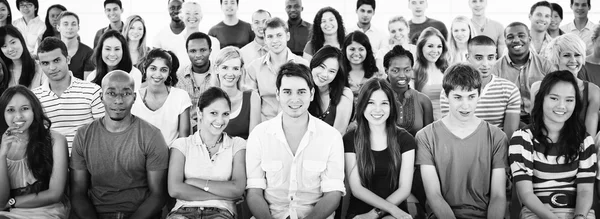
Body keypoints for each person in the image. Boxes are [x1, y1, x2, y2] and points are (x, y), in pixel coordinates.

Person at [246, 62, 345, 219]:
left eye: (301, 92)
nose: (294, 99)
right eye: (287, 92)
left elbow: (333, 193)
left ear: (311, 94)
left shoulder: (331, 136)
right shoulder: (259, 135)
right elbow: (254, 192)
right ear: (278, 94)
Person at [70, 70, 169, 219]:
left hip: (139, 214)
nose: (118, 101)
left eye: (125, 93)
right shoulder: (83, 135)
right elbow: (78, 192)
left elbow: (158, 195)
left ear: (134, 97)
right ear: (101, 97)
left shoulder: (152, 135)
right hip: (95, 214)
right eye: (111, 93)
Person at [416, 63, 507, 219]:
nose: (465, 105)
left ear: (480, 93)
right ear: (446, 96)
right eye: (457, 97)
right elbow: (434, 195)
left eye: (471, 96)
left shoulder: (497, 137)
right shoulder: (426, 136)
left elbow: (498, 195)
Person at [509, 70, 596, 219]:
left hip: (578, 213)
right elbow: (526, 194)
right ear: (542, 98)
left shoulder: (584, 140)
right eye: (554, 98)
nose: (562, 106)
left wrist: (579, 216)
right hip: (537, 213)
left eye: (569, 100)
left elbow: (585, 191)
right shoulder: (522, 139)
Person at [167, 87, 246, 219]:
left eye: (225, 114)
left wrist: (194, 182)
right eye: (214, 113)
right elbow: (175, 189)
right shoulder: (182, 145)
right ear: (200, 112)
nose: (220, 121)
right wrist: (222, 193)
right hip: (183, 211)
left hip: (222, 212)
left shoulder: (237, 145)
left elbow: (237, 189)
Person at [343, 78, 415, 219]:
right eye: (370, 103)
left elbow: (404, 189)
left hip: (395, 213)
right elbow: (357, 189)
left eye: (384, 103)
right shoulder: (350, 139)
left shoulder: (405, 139)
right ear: (362, 105)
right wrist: (369, 215)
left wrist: (375, 214)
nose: (377, 109)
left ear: (391, 106)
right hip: (360, 214)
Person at [0, 86, 68, 218]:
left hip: (45, 210)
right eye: (10, 110)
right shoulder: (1, 145)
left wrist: (12, 202)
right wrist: (2, 155)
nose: (18, 116)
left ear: (34, 111)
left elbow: (55, 194)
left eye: (25, 109)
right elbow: (0, 201)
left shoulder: (55, 140)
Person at [32, 37, 105, 154]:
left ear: (68, 59)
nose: (52, 68)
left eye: (56, 60)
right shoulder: (34, 97)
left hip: (87, 160)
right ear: (40, 64)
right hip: (49, 163)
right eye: (45, 63)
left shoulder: (92, 91)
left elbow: (104, 133)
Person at [441, 35, 521, 140]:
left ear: (496, 57)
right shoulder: (450, 90)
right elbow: (450, 131)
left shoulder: (510, 90)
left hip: (498, 150)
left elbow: (509, 137)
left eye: (490, 57)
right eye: (479, 58)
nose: (485, 64)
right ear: (467, 57)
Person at [490, 22, 555, 126]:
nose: (516, 40)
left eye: (521, 36)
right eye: (510, 37)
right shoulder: (495, 69)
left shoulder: (546, 66)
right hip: (508, 121)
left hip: (542, 119)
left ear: (529, 39)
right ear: (505, 41)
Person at [535, 33, 600, 136]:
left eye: (577, 55)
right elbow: (536, 126)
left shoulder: (593, 91)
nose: (573, 60)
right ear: (556, 58)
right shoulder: (538, 87)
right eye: (566, 55)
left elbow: (589, 136)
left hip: (581, 148)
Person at [245, 17, 309, 121]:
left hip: (295, 122)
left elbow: (306, 100)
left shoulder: (303, 65)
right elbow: (252, 105)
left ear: (287, 36)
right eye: (270, 36)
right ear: (265, 39)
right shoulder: (254, 67)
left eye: (279, 35)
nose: (275, 40)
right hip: (264, 124)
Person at [132, 48, 191, 146]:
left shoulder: (180, 96)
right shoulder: (133, 97)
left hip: (172, 157)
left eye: (163, 70)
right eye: (153, 68)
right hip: (140, 157)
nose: (158, 74)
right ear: (145, 69)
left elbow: (183, 140)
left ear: (169, 72)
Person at [213, 46, 260, 139]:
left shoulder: (252, 97)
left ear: (241, 71)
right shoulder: (207, 98)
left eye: (235, 68)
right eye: (225, 67)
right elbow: (204, 139)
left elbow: (254, 140)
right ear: (216, 69)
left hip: (245, 152)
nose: (230, 73)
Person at [385, 45, 433, 136]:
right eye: (395, 70)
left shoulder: (423, 101)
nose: (402, 75)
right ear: (386, 71)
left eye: (407, 70)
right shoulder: (377, 99)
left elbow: (429, 139)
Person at [176, 32, 217, 132]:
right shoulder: (178, 77)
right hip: (185, 130)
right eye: (193, 51)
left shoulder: (219, 75)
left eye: (202, 50)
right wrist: (194, 126)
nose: (198, 55)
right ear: (187, 52)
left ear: (210, 51)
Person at [307, 46, 353, 134]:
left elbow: (339, 134)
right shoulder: (302, 87)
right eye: (321, 66)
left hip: (333, 145)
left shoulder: (344, 94)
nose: (324, 74)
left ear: (337, 74)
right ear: (314, 63)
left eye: (331, 71)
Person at [413, 27, 449, 121]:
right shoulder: (414, 72)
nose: (435, 51)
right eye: (430, 46)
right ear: (421, 47)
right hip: (425, 124)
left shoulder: (447, 70)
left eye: (439, 46)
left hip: (447, 122)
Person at [171, 1, 220, 66]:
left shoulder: (214, 42)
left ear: (201, 16)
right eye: (187, 13)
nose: (192, 16)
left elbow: (217, 67)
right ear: (182, 17)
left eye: (196, 13)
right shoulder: (174, 43)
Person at [343, 31, 380, 103]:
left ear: (367, 51)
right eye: (352, 49)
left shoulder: (376, 75)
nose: (356, 53)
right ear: (345, 50)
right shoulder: (339, 72)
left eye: (361, 49)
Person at [57, 11, 94, 80]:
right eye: (65, 24)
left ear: (78, 27)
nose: (70, 27)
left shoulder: (88, 52)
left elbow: (88, 83)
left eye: (73, 24)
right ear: (58, 27)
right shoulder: (51, 50)